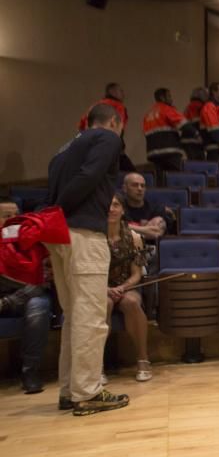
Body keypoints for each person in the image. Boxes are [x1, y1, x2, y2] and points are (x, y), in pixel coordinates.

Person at [45, 103, 130, 415]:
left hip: (59, 236)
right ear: (113, 122)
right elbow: (90, 175)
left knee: (74, 316)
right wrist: (61, 210)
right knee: (91, 318)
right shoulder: (107, 139)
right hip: (83, 234)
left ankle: (70, 390)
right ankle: (88, 392)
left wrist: (52, 214)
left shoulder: (63, 149)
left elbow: (56, 186)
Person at [0, 197, 56, 394]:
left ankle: (30, 372)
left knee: (38, 306)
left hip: (29, 296)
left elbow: (46, 281)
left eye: (17, 215)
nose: (14, 219)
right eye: (7, 216)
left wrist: (7, 302)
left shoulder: (36, 240)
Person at [105, 192, 151, 381]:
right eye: (108, 205)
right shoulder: (93, 237)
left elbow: (137, 274)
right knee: (104, 304)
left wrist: (122, 287)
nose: (111, 209)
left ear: (123, 210)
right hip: (99, 287)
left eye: (116, 205)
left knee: (131, 302)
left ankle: (143, 359)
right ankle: (95, 365)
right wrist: (106, 289)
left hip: (127, 286)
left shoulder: (134, 237)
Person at [142, 88, 186, 179]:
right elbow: (184, 125)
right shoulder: (167, 109)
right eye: (169, 96)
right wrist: (196, 134)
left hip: (153, 153)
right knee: (175, 179)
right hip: (170, 151)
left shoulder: (148, 114)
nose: (171, 99)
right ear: (162, 97)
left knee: (160, 179)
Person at [121, 172, 170, 241]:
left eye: (142, 186)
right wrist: (146, 230)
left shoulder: (156, 208)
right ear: (125, 188)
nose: (140, 189)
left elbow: (156, 233)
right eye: (135, 185)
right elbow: (115, 230)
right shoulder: (118, 207)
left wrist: (127, 228)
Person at [181, 88, 207, 160]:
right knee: (199, 164)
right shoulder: (199, 106)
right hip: (194, 140)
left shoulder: (189, 106)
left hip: (187, 140)